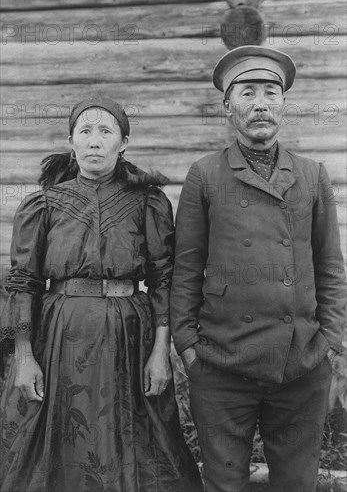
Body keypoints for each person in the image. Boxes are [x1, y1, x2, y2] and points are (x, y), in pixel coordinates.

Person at [0, 97, 203, 492]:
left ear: (123, 143)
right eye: (86, 131)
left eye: (106, 132)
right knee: (57, 437)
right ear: (71, 141)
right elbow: (24, 281)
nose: (95, 141)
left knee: (138, 437)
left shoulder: (148, 202)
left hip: (130, 338)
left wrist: (161, 352)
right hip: (57, 339)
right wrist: (24, 355)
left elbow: (164, 279)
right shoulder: (43, 206)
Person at [170, 46, 346, 492]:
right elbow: (186, 267)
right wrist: (188, 345)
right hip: (222, 365)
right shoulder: (205, 175)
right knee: (224, 483)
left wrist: (330, 342)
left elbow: (330, 265)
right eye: (247, 93)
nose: (261, 103)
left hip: (301, 365)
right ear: (227, 107)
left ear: (284, 103)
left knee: (295, 484)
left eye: (271, 92)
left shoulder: (311, 174)